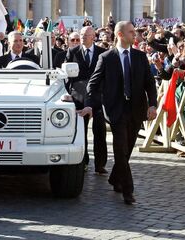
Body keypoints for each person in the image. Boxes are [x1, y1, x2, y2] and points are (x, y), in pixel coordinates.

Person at [82, 21, 157, 205]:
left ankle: (116, 178)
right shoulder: (107, 58)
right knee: (120, 148)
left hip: (136, 110)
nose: (135, 35)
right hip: (116, 111)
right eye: (131, 32)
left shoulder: (140, 57)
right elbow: (93, 85)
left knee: (127, 149)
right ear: (120, 35)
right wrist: (95, 104)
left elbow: (149, 83)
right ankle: (128, 190)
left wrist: (153, 105)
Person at [65, 26, 108, 174]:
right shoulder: (72, 52)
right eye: (81, 34)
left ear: (93, 37)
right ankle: (82, 161)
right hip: (78, 97)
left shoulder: (103, 53)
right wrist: (67, 93)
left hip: (98, 97)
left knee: (100, 131)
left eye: (86, 35)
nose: (83, 37)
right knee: (80, 132)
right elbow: (67, 75)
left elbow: (106, 76)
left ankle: (100, 164)